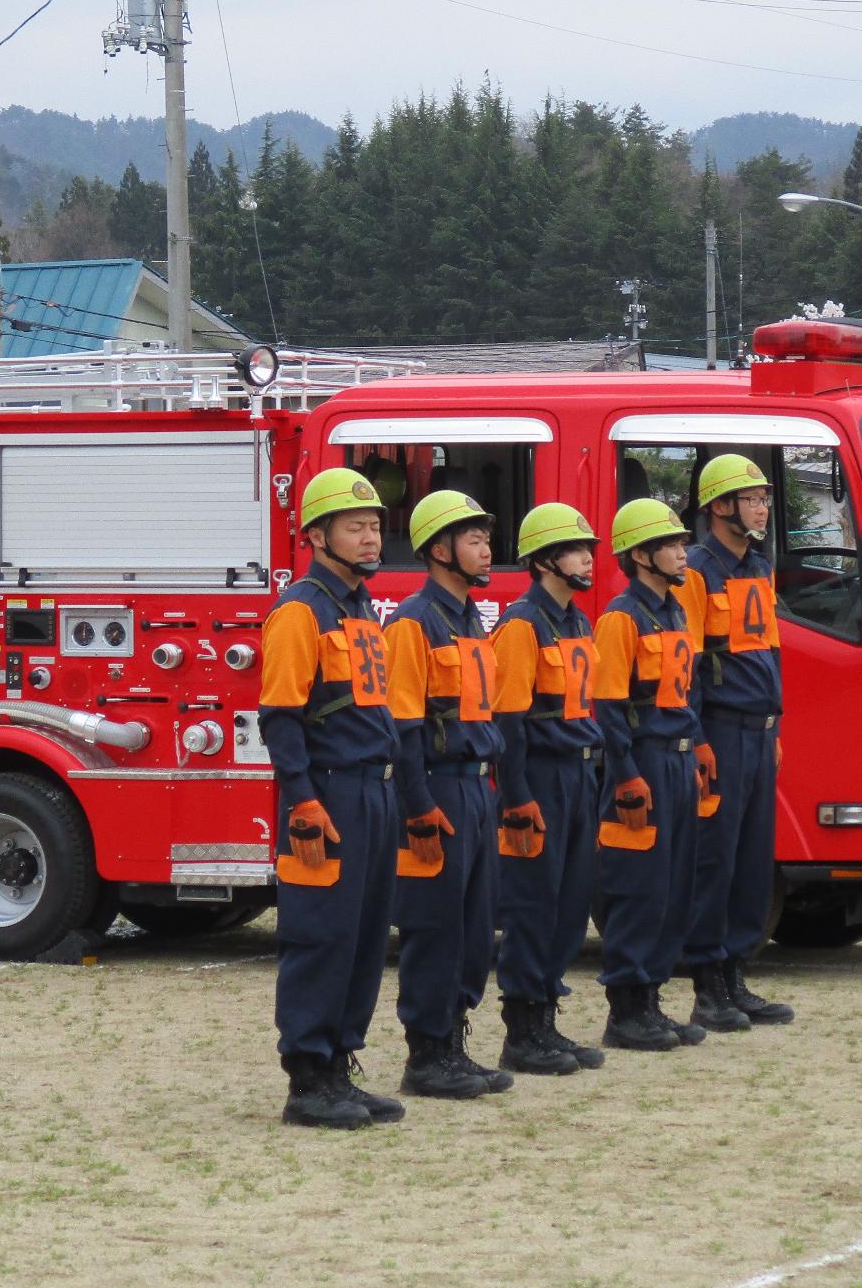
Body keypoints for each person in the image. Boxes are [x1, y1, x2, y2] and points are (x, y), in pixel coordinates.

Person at [257, 466, 407, 1130]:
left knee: (365, 937)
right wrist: (302, 800)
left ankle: (340, 1061)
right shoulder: (301, 610)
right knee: (322, 936)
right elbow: (280, 716)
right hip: (329, 795)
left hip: (372, 791)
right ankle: (307, 1079)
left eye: (374, 525)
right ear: (317, 534)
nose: (370, 536)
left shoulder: (360, 608)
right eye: (356, 526)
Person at [383, 489, 511, 1100]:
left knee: (474, 928)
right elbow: (404, 724)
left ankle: (453, 1041)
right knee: (435, 927)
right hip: (436, 789)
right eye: (474, 538)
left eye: (486, 538)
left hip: (475, 788)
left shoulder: (468, 619)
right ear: (439, 549)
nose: (486, 548)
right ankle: (427, 1054)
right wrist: (417, 808)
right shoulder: (414, 620)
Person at [490, 503, 607, 1076]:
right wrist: (516, 796)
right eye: (575, 548)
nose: (588, 556)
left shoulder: (578, 621)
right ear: (543, 561)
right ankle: (522, 1030)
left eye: (589, 547)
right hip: (539, 774)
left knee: (569, 903)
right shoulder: (521, 624)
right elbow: (507, 719)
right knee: (533, 904)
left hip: (579, 774)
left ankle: (547, 1020)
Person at [683, 456, 796, 1029]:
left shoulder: (758, 566)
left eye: (763, 497)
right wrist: (697, 738)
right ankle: (708, 985)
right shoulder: (697, 572)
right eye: (750, 498)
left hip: (758, 731)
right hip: (720, 732)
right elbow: (690, 664)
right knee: (715, 858)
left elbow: (768, 648)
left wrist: (776, 722)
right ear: (720, 506)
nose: (761, 506)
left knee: (753, 860)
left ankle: (736, 975)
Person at [592, 499, 709, 1051]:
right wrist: (625, 777)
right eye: (671, 544)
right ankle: (626, 1009)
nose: (682, 552)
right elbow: (609, 706)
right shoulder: (622, 616)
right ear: (641, 555)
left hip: (679, 759)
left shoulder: (674, 610)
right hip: (645, 763)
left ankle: (652, 1001)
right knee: (638, 887)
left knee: (672, 887)